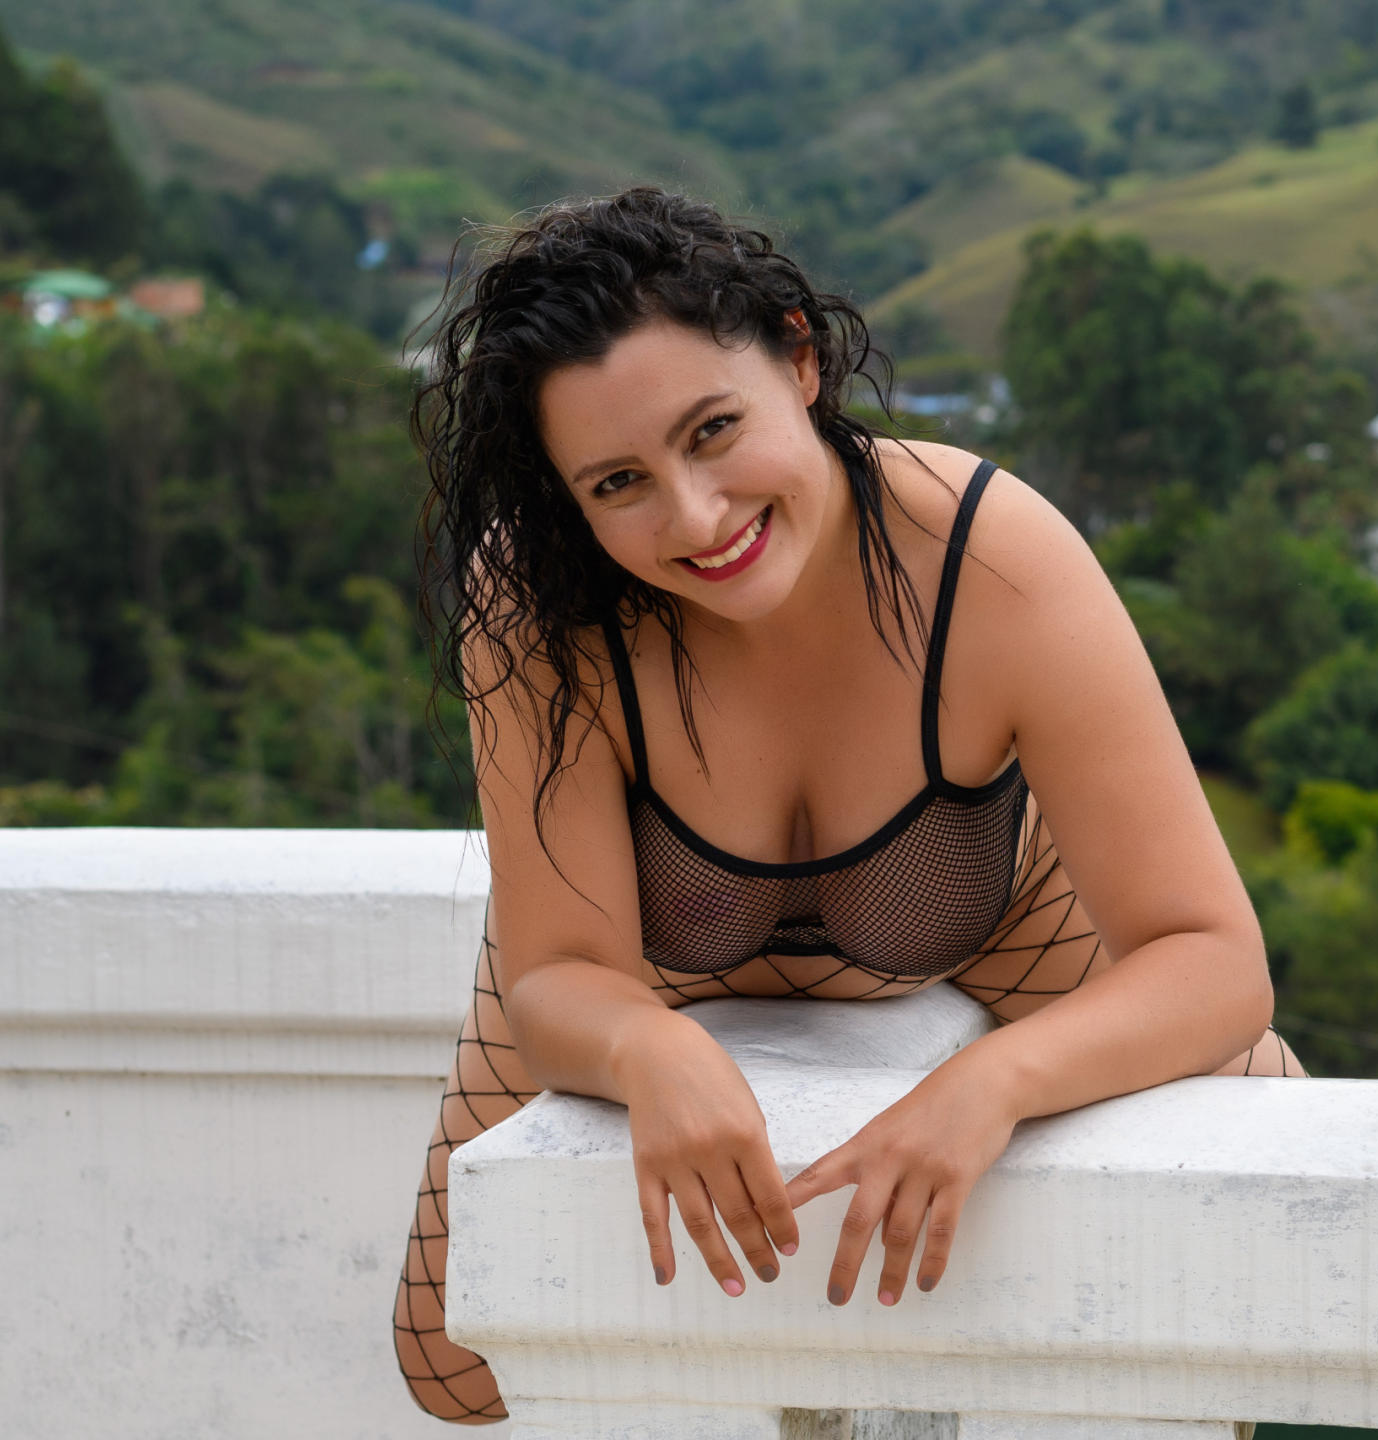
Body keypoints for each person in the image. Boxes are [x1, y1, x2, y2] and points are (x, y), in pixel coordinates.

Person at [392, 187, 1305, 1424]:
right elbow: (556, 973)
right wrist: (644, 1047)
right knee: (448, 1361)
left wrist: (996, 1085)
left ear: (799, 358)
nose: (695, 517)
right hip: (647, 965)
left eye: (714, 430)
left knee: (1292, 1258)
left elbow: (1214, 963)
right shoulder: (537, 600)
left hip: (997, 915)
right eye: (617, 483)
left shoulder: (988, 553)